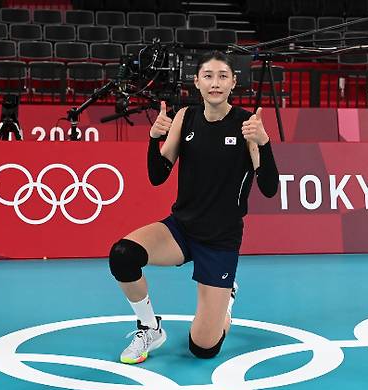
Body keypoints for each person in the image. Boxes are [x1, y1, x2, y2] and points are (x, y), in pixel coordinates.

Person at [108, 51, 279, 364]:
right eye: (209, 76)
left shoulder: (246, 125)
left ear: (233, 83)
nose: (215, 83)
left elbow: (269, 189)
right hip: (182, 229)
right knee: (123, 255)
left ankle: (226, 299)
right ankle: (149, 326)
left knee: (203, 349)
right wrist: (152, 139)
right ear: (197, 82)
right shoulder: (186, 117)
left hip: (220, 239)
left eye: (223, 76)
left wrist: (265, 143)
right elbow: (158, 175)